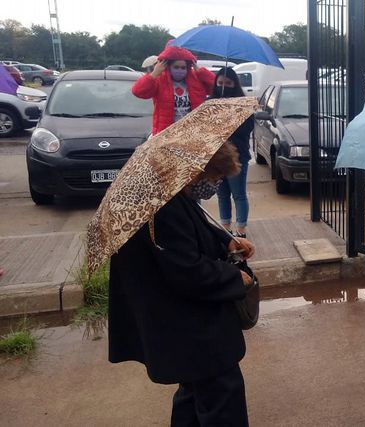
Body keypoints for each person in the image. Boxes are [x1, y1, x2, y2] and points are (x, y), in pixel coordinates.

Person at [108, 142, 256, 426]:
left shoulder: (171, 192)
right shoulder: (161, 207)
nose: (213, 186)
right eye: (213, 178)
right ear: (195, 171)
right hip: (189, 324)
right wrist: (233, 276)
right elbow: (187, 270)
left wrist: (226, 240)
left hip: (183, 323)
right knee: (221, 394)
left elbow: (193, 229)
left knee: (193, 390)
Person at [209, 67, 255, 238]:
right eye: (220, 83)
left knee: (239, 194)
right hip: (216, 158)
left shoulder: (243, 104)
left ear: (234, 84)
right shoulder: (211, 102)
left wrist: (228, 118)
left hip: (237, 156)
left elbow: (247, 128)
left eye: (228, 83)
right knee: (222, 195)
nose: (223, 86)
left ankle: (241, 229)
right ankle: (226, 227)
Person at [132, 43, 216, 135]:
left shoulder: (196, 80)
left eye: (183, 67)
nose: (180, 70)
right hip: (166, 134)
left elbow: (216, 88)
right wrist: (154, 74)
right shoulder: (160, 81)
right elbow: (138, 91)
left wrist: (201, 72)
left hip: (192, 133)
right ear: (168, 66)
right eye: (176, 67)